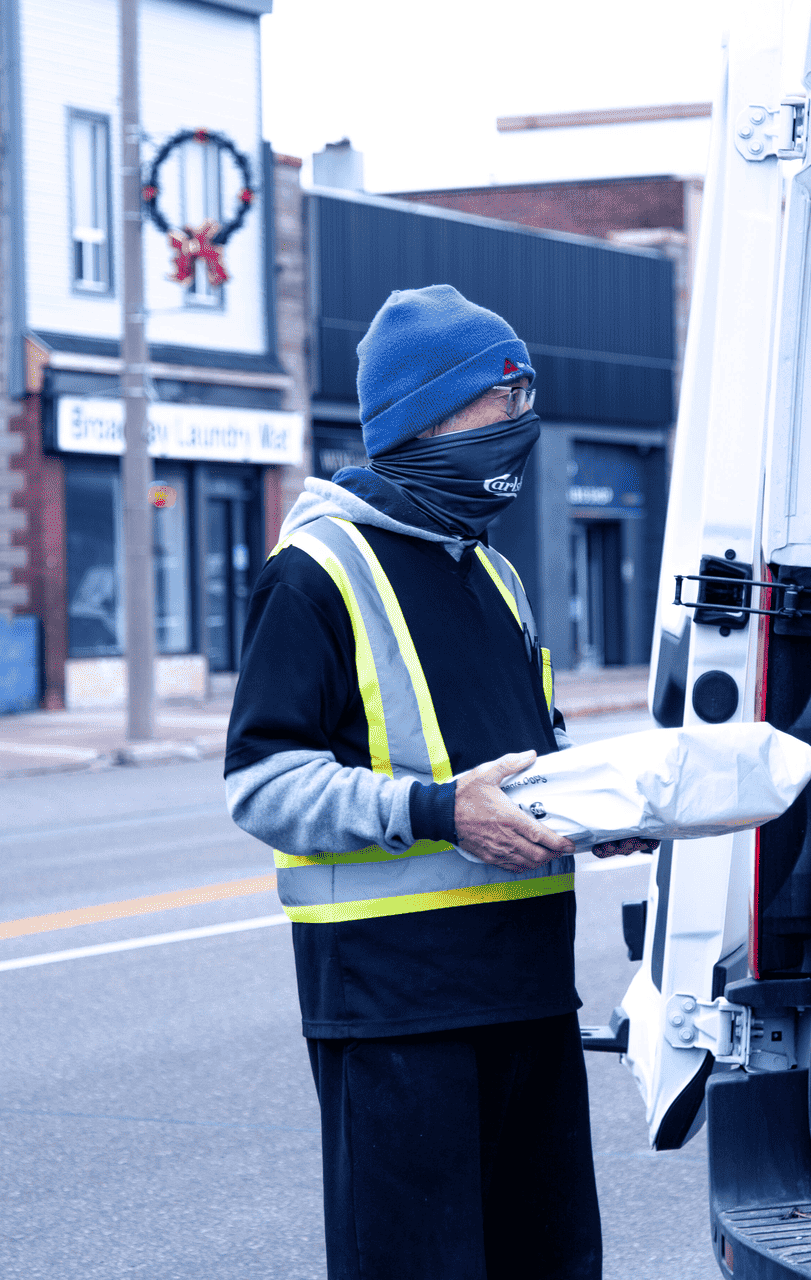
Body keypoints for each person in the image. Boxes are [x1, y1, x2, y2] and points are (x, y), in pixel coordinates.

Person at [224, 284, 651, 1280]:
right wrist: (433, 810)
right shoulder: (317, 568)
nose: (523, 419)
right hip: (395, 1007)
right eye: (501, 397)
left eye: (526, 394)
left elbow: (519, 761)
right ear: (424, 412)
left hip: (528, 993)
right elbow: (261, 783)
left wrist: (597, 814)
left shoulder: (493, 573)